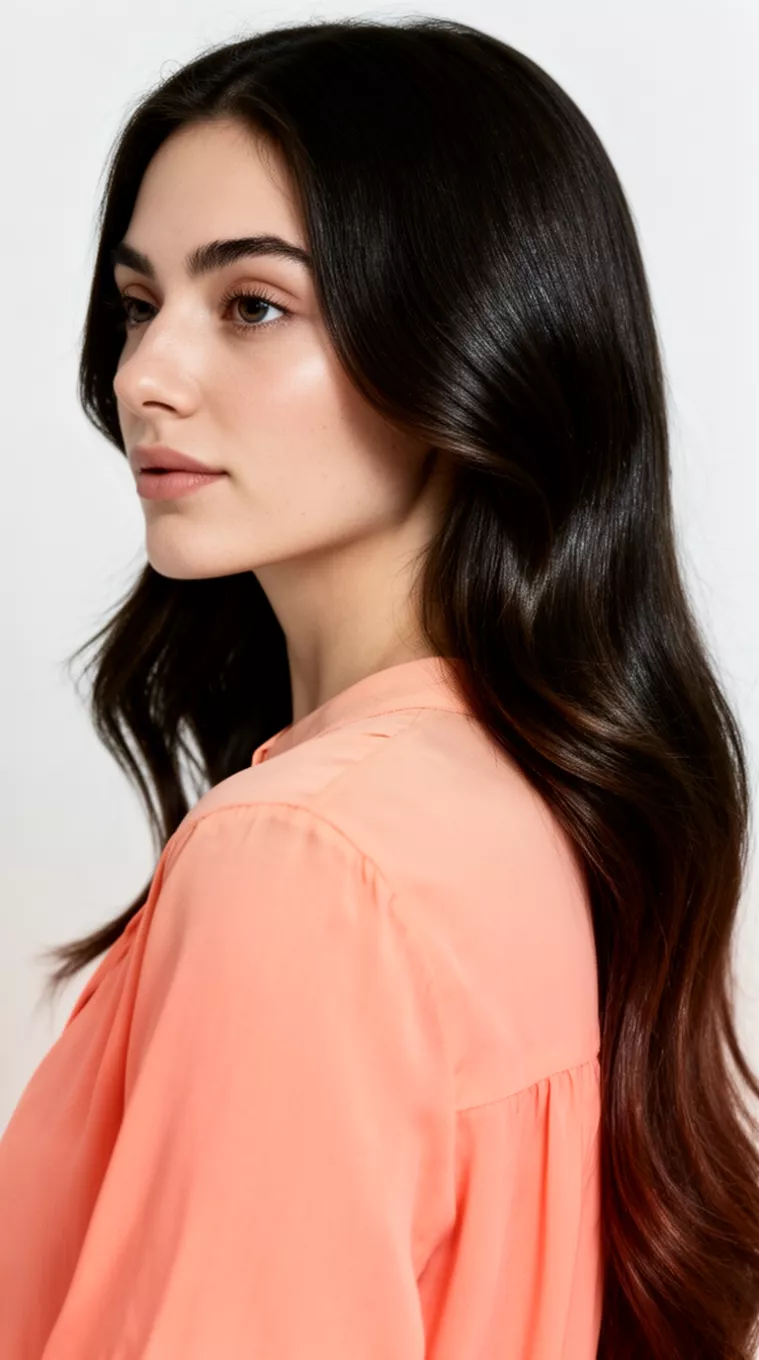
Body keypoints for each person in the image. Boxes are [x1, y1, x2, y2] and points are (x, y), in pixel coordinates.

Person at [1, 16, 757, 1359]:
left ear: (464, 345)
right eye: (138, 302)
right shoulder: (534, 795)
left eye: (251, 306)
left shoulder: (303, 867)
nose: (142, 376)